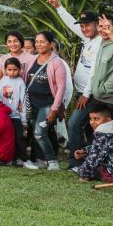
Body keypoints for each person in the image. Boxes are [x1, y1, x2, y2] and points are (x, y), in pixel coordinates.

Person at [48, 0, 102, 171]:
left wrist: (86, 93)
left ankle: (75, 163)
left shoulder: (101, 41)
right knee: (89, 130)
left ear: (97, 24)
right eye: (83, 25)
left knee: (74, 124)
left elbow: (95, 70)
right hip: (83, 93)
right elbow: (72, 24)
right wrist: (59, 7)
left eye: (88, 25)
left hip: (90, 94)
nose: (84, 28)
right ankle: (90, 163)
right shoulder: (88, 39)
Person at [25, 31, 69, 171]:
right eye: (37, 42)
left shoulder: (57, 62)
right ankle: (41, 161)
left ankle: (52, 161)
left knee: (39, 133)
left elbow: (61, 87)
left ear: (51, 44)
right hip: (32, 103)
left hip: (48, 104)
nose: (39, 44)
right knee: (37, 132)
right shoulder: (33, 59)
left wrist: (55, 109)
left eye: (42, 42)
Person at [72, 102, 113, 183]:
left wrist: (83, 173)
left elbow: (94, 158)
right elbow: (104, 147)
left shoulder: (103, 132)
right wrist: (85, 151)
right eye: (90, 119)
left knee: (91, 166)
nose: (92, 122)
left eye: (96, 119)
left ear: (108, 119)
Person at [0, 58, 28, 164]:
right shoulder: (3, 80)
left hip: (16, 116)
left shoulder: (20, 82)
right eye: (9, 69)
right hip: (4, 116)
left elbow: (23, 101)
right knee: (7, 139)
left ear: (20, 70)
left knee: (19, 138)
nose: (12, 72)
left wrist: (23, 120)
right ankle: (10, 158)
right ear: (5, 70)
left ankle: (24, 159)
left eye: (15, 70)